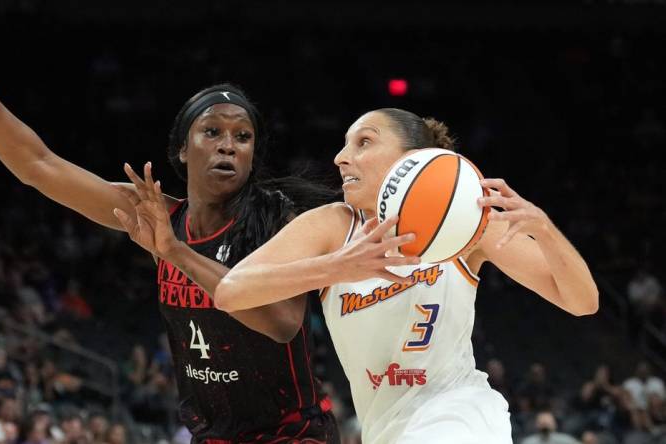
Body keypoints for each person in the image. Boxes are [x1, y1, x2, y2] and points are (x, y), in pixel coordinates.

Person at [0, 1, 339, 442]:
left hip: (292, 434)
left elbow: (283, 324)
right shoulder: (159, 217)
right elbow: (37, 165)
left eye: (242, 137)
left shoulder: (278, 219)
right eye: (212, 132)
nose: (228, 145)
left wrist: (175, 253)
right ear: (183, 150)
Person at [213, 108, 599, 443]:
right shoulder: (333, 227)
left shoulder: (466, 221)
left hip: (462, 417)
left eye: (363, 142)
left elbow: (582, 302)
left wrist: (545, 229)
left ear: (413, 159)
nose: (340, 158)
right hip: (387, 430)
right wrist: (338, 266)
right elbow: (230, 292)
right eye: (346, 144)